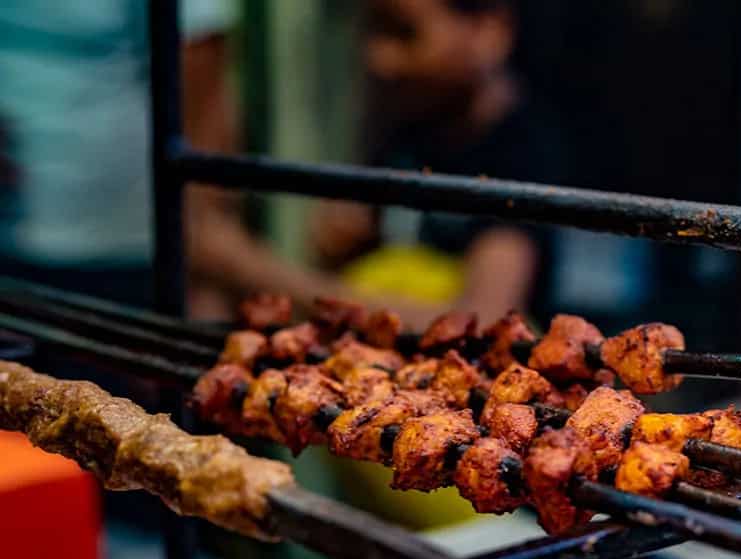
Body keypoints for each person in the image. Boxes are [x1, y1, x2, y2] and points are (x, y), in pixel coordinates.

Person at [0, 1, 378, 315]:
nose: (379, 60)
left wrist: (203, 267)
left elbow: (204, 85)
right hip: (14, 254)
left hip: (128, 258)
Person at [309, 0, 568, 329]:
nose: (379, 58)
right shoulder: (404, 130)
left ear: (489, 31)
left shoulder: (521, 152)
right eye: (370, 31)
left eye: (404, 33)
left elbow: (485, 320)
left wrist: (257, 270)